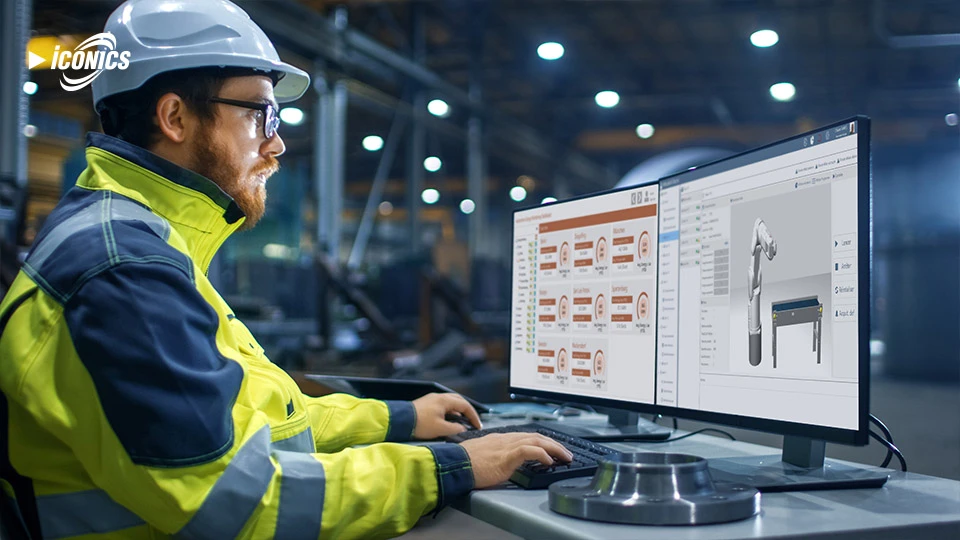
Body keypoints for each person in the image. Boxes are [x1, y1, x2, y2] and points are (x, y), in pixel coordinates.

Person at [0, 1, 570, 538]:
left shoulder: (145, 244)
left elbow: (261, 419)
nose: (276, 144)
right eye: (260, 114)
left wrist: (398, 420)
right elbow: (236, 502)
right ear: (174, 116)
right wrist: (450, 467)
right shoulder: (123, 268)